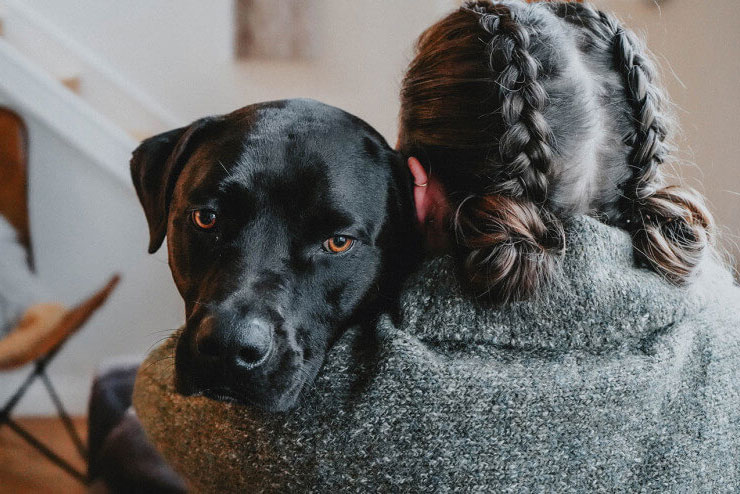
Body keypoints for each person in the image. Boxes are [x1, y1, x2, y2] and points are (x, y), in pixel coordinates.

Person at [132, 2, 740, 491]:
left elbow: (158, 397)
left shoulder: (350, 418)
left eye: (339, 238)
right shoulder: (717, 303)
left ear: (414, 190)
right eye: (208, 218)